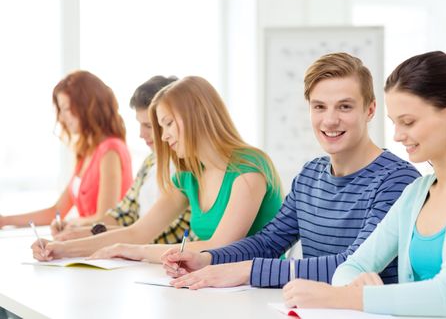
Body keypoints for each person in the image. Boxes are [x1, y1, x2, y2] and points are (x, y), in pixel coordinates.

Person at [282, 51, 446, 319]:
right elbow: (349, 267)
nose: (398, 136)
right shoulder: (417, 193)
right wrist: (355, 283)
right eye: (395, 123)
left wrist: (344, 296)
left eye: (408, 122)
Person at [160, 52, 420, 290]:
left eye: (344, 106)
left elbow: (352, 264)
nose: (329, 120)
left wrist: (248, 270)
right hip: (314, 309)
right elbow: (268, 242)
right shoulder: (310, 175)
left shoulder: (398, 181)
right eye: (319, 107)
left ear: (370, 109)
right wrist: (206, 259)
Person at [31, 76, 282, 262]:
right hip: (214, 287)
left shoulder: (249, 168)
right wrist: (59, 249)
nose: (163, 138)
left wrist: (134, 251)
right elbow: (138, 231)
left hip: (259, 293)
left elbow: (219, 247)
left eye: (168, 124)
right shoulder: (189, 175)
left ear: (195, 116)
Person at [53, 75, 194, 246]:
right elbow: (123, 215)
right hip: (142, 257)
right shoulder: (150, 161)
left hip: (155, 260)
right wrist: (82, 233)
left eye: (149, 126)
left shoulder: (188, 168)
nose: (141, 134)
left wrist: (85, 239)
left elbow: (163, 235)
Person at [0, 71, 133, 229]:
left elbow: (105, 219)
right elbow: (56, 211)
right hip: (88, 244)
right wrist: (5, 220)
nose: (62, 118)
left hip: (102, 247)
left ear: (88, 107)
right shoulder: (86, 152)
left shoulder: (110, 150)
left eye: (67, 109)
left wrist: (70, 223)